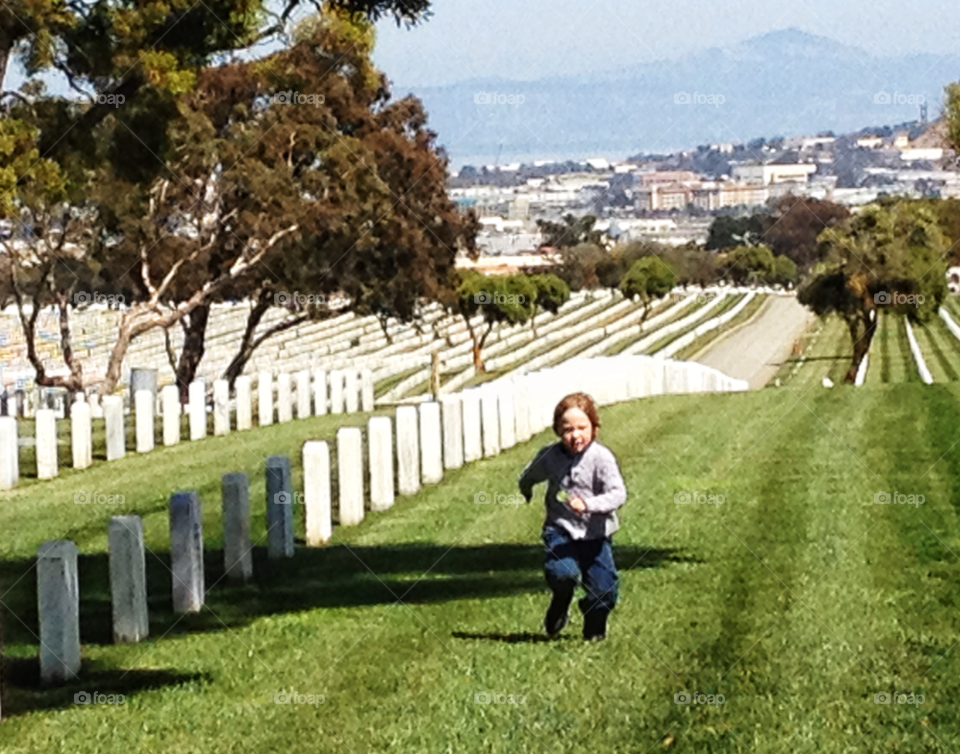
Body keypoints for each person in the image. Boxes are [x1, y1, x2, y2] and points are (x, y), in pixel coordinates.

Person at [519, 392, 627, 641]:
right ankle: (561, 600)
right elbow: (531, 473)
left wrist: (589, 504)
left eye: (582, 428)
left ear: (594, 427)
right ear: (557, 430)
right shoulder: (551, 456)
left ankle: (594, 627)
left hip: (595, 533)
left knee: (605, 590)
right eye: (567, 429)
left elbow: (618, 494)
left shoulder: (601, 458)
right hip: (561, 529)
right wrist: (525, 487)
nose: (575, 435)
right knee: (563, 572)